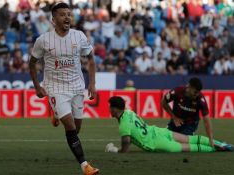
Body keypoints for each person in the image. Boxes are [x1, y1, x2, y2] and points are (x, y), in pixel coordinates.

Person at [29, 2, 99, 175]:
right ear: (54, 20)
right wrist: (37, 86)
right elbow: (32, 63)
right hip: (55, 87)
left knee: (76, 128)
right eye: (62, 14)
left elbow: (90, 59)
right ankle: (85, 165)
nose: (67, 17)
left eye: (69, 14)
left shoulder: (79, 36)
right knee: (69, 126)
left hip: (76, 86)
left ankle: (56, 114)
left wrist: (92, 83)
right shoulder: (44, 40)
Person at [105, 96, 233, 153]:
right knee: (191, 139)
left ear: (115, 109)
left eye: (110, 107)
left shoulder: (123, 125)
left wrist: (118, 151)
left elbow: (126, 143)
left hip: (157, 143)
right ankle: (223, 145)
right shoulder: (129, 112)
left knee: (190, 147)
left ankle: (214, 149)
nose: (109, 109)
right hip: (159, 131)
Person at [161, 77, 214, 144]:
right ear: (189, 86)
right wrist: (174, 117)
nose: (197, 94)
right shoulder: (177, 92)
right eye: (195, 92)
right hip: (175, 122)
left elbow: (206, 120)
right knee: (165, 139)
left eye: (198, 92)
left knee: (181, 142)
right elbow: (163, 102)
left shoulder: (200, 99)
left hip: (190, 125)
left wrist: (210, 139)